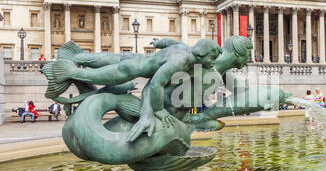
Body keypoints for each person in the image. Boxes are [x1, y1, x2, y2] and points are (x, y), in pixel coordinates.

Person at [43, 39, 223, 142]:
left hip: (135, 58)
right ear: (202, 55)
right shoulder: (179, 63)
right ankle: (62, 72)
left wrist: (159, 42)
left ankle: (72, 54)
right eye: (212, 58)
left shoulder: (185, 48)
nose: (213, 63)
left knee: (97, 59)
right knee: (86, 74)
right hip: (129, 71)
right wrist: (158, 110)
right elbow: (156, 84)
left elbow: (169, 42)